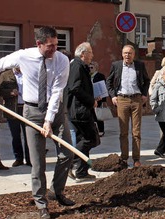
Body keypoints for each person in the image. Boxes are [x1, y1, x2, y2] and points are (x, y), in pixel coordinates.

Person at [0, 26, 74, 219]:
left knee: (66, 154)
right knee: (37, 163)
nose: (55, 49)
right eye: (50, 46)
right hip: (32, 111)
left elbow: (56, 91)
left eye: (56, 44)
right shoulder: (23, 56)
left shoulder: (62, 60)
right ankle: (41, 204)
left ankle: (56, 190)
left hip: (55, 111)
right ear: (39, 44)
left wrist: (49, 120)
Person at [106, 45, 150, 167]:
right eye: (125, 53)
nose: (127, 55)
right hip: (122, 100)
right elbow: (109, 81)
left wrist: (144, 94)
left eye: (130, 53)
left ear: (134, 55)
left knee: (136, 132)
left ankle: (136, 159)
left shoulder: (139, 66)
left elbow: (147, 80)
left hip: (136, 100)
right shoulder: (117, 65)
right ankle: (124, 158)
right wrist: (113, 96)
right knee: (123, 132)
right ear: (122, 54)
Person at [66, 42, 98, 180]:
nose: (92, 55)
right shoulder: (77, 66)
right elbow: (75, 88)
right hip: (80, 110)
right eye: (90, 52)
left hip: (80, 109)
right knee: (91, 139)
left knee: (83, 140)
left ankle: (81, 172)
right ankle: (68, 162)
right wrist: (91, 101)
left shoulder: (80, 66)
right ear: (83, 54)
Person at [0, 67, 31, 167]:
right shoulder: (5, 75)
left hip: (26, 108)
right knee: (15, 135)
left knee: (28, 135)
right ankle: (18, 158)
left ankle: (30, 159)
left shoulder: (28, 72)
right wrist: (10, 92)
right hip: (12, 108)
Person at [90, 61, 107, 137]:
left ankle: (101, 130)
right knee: (91, 115)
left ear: (96, 68)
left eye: (92, 67)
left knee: (99, 114)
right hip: (90, 98)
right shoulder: (87, 76)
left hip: (99, 98)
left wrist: (104, 100)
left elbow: (103, 88)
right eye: (89, 67)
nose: (90, 69)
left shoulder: (100, 76)